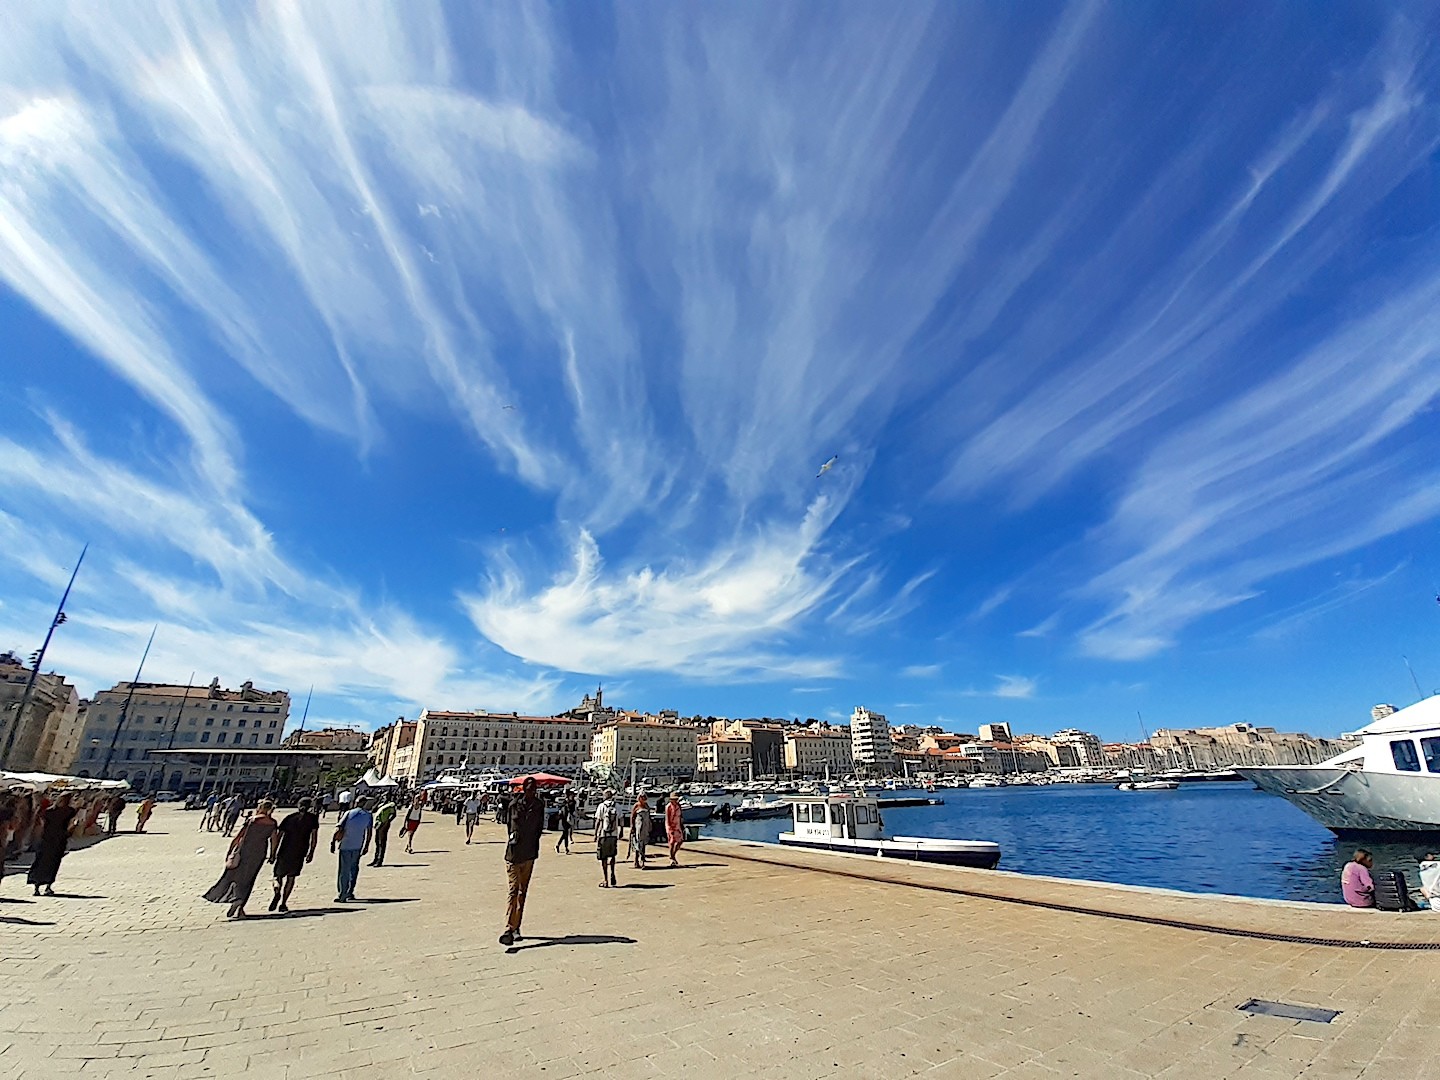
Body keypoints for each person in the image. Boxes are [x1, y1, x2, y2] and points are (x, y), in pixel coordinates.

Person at [202, 799, 280, 919]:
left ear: (260, 807)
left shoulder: (252, 820)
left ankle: (235, 899)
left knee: (233, 877)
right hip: (258, 854)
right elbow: (274, 840)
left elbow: (239, 837)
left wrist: (230, 850)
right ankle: (240, 907)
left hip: (244, 852)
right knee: (249, 879)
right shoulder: (272, 823)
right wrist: (273, 854)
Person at [500, 776, 545, 946]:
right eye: (528, 789)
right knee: (513, 890)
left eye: (533, 789)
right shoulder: (514, 805)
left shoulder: (539, 806)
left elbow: (539, 827)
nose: (530, 792)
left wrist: (533, 843)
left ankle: (516, 926)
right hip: (513, 853)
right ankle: (509, 928)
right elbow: (509, 826)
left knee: (522, 892)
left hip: (529, 853)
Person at [269, 798, 320, 914]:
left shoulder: (289, 818)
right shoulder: (312, 819)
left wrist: (273, 853)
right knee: (291, 878)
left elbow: (279, 836)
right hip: (300, 852)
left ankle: (277, 891)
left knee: (277, 876)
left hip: (285, 850)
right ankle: (283, 903)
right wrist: (311, 852)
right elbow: (314, 837)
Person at [27, 793, 78, 897]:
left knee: (40, 861)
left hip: (46, 839)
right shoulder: (70, 811)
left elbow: (41, 824)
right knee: (53, 862)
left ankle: (36, 887)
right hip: (59, 839)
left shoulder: (49, 811)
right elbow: (72, 824)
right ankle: (48, 886)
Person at [332, 796, 373, 903]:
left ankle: (342, 894)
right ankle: (350, 892)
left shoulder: (348, 813)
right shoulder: (368, 815)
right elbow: (369, 832)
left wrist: (333, 841)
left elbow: (339, 827)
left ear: (356, 802)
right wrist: (367, 845)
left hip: (346, 845)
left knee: (344, 870)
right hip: (358, 845)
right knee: (353, 869)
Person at [595, 788, 620, 889]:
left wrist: (596, 833)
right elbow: (621, 819)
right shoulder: (617, 806)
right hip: (614, 834)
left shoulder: (601, 806)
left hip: (603, 834)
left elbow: (598, 820)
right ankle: (613, 872)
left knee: (603, 857)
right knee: (612, 855)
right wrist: (621, 831)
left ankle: (605, 879)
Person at [370, 797, 397, 867]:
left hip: (383, 825)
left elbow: (393, 815)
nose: (384, 797)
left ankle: (379, 860)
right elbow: (373, 809)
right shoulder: (382, 804)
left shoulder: (391, 805)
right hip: (378, 825)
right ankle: (375, 859)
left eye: (385, 796)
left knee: (381, 843)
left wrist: (387, 822)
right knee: (377, 842)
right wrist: (378, 801)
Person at [630, 793, 652, 869]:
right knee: (637, 843)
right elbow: (632, 817)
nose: (643, 799)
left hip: (645, 826)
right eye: (641, 797)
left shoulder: (647, 806)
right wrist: (632, 827)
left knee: (643, 843)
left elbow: (649, 816)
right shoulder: (636, 806)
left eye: (644, 797)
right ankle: (636, 860)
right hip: (638, 826)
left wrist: (650, 825)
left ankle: (642, 859)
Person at [665, 792, 684, 867]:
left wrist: (682, 825)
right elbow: (668, 818)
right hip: (671, 826)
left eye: (676, 799)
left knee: (680, 841)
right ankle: (671, 857)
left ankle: (673, 855)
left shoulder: (678, 806)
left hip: (678, 825)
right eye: (674, 799)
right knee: (672, 842)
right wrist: (670, 828)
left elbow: (680, 815)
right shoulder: (668, 807)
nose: (675, 800)